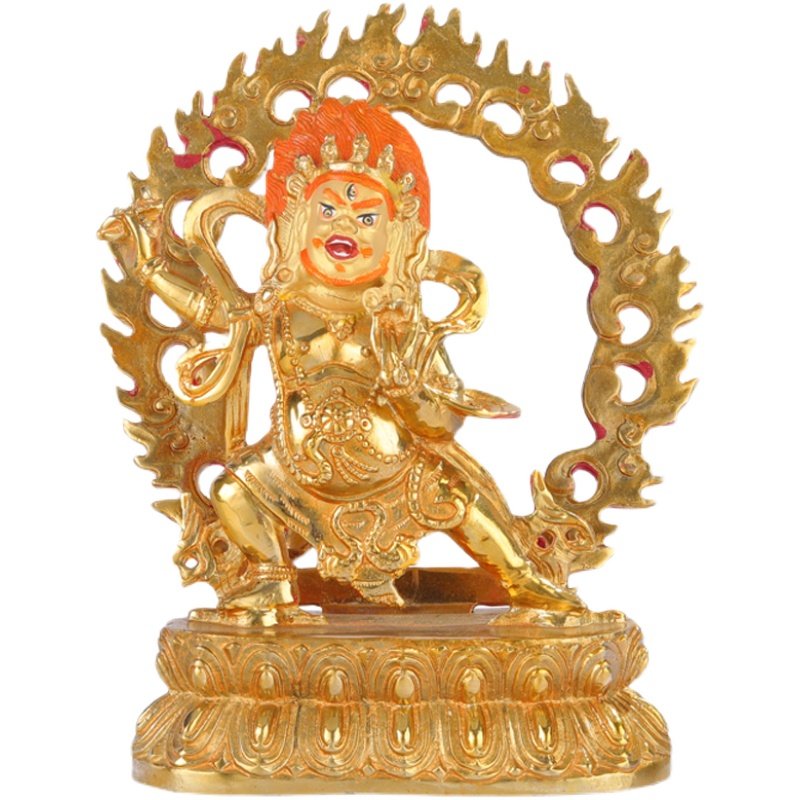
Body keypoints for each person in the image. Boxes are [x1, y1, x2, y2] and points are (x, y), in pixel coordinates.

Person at [137, 98, 585, 621]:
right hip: (293, 475)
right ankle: (270, 584)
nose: (344, 225)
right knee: (233, 491)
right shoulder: (280, 307)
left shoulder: (400, 319)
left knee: (459, 496)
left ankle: (522, 578)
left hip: (396, 472)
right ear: (294, 222)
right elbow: (212, 312)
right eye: (327, 210)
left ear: (397, 236)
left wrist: (408, 393)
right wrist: (149, 268)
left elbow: (444, 423)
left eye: (367, 217)